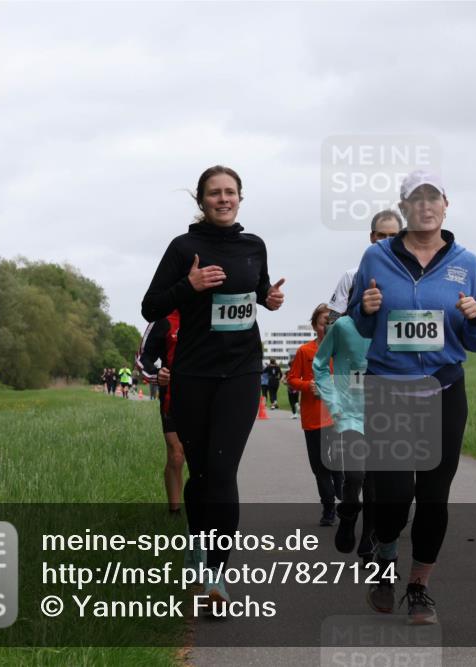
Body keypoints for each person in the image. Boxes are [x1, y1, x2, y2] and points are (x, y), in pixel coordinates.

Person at [348, 170, 476, 624]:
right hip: (388, 388)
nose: (426, 206)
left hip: (444, 389)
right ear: (404, 207)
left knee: (433, 495)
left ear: (446, 205)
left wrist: (473, 318)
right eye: (417, 199)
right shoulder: (375, 257)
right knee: (392, 494)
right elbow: (357, 323)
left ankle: (419, 587)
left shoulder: (467, 264)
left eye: (434, 198)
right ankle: (386, 553)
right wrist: (364, 310)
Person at [141, 165, 285, 612]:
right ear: (201, 200)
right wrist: (190, 284)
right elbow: (151, 306)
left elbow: (256, 291)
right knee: (201, 475)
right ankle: (198, 551)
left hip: (241, 372)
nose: (223, 199)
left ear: (241, 197)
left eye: (230, 192)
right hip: (193, 376)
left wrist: (269, 298)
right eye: (214, 193)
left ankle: (217, 578)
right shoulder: (184, 247)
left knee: (222, 472)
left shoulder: (254, 245)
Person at [314, 209, 402, 563]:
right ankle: (348, 511)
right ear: (371, 238)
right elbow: (330, 337)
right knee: (356, 477)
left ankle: (368, 540)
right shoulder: (352, 277)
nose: (386, 243)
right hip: (349, 407)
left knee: (380, 485)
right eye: (380, 236)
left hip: (384, 406)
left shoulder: (407, 281)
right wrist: (333, 398)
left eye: (393, 237)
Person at [287, 303, 344, 526]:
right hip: (312, 418)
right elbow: (292, 379)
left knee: (337, 463)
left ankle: (340, 498)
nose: (328, 326)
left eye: (332, 323)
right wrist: (307, 385)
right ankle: (328, 508)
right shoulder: (305, 351)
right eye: (324, 323)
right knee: (320, 466)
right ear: (314, 325)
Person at [137, 310, 185, 513]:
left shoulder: (213, 311)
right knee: (176, 454)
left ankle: (203, 516)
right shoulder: (165, 318)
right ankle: (174, 512)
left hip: (208, 398)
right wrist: (157, 375)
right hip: (172, 398)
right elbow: (143, 358)